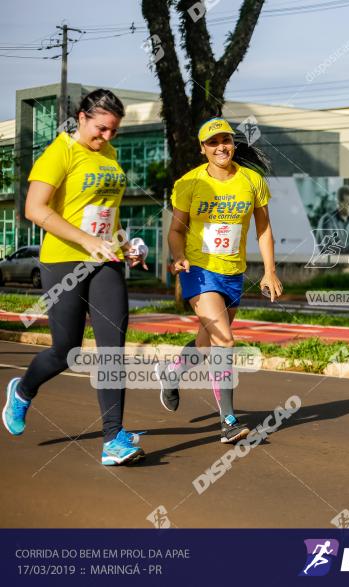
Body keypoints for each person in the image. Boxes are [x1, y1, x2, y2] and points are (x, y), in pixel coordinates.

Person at [2, 89, 149, 465]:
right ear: (82, 117)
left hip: (107, 261)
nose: (107, 138)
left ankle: (113, 439)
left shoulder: (111, 155)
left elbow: (106, 212)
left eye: (114, 131)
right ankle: (23, 390)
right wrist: (86, 240)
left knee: (112, 350)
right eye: (101, 129)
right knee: (65, 351)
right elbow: (35, 209)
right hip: (64, 261)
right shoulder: (59, 152)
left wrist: (125, 244)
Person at [155, 118, 282, 444]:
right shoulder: (189, 183)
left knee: (206, 344)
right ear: (203, 149)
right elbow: (176, 230)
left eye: (225, 140)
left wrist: (269, 271)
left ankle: (172, 374)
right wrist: (179, 255)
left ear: (233, 143)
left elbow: (263, 228)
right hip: (199, 270)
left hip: (233, 274)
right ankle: (227, 420)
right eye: (213, 142)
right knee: (224, 341)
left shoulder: (252, 181)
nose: (221, 147)